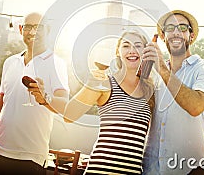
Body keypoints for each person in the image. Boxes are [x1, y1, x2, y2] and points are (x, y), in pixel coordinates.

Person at [0, 12, 69, 174]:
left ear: (48, 30)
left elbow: (65, 105)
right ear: (21, 29)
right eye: (28, 27)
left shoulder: (57, 63)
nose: (33, 32)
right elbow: (2, 103)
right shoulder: (10, 62)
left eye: (39, 27)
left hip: (31, 157)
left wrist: (45, 98)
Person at [64, 30, 155, 174]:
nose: (132, 50)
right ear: (118, 52)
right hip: (100, 171)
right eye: (126, 46)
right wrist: (89, 84)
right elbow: (69, 115)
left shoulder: (150, 91)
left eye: (137, 46)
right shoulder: (105, 83)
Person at [142, 10, 204, 175]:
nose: (176, 32)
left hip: (188, 170)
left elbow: (196, 106)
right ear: (163, 37)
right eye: (170, 28)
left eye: (182, 27)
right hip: (150, 169)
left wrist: (162, 68)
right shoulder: (154, 73)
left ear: (191, 36)